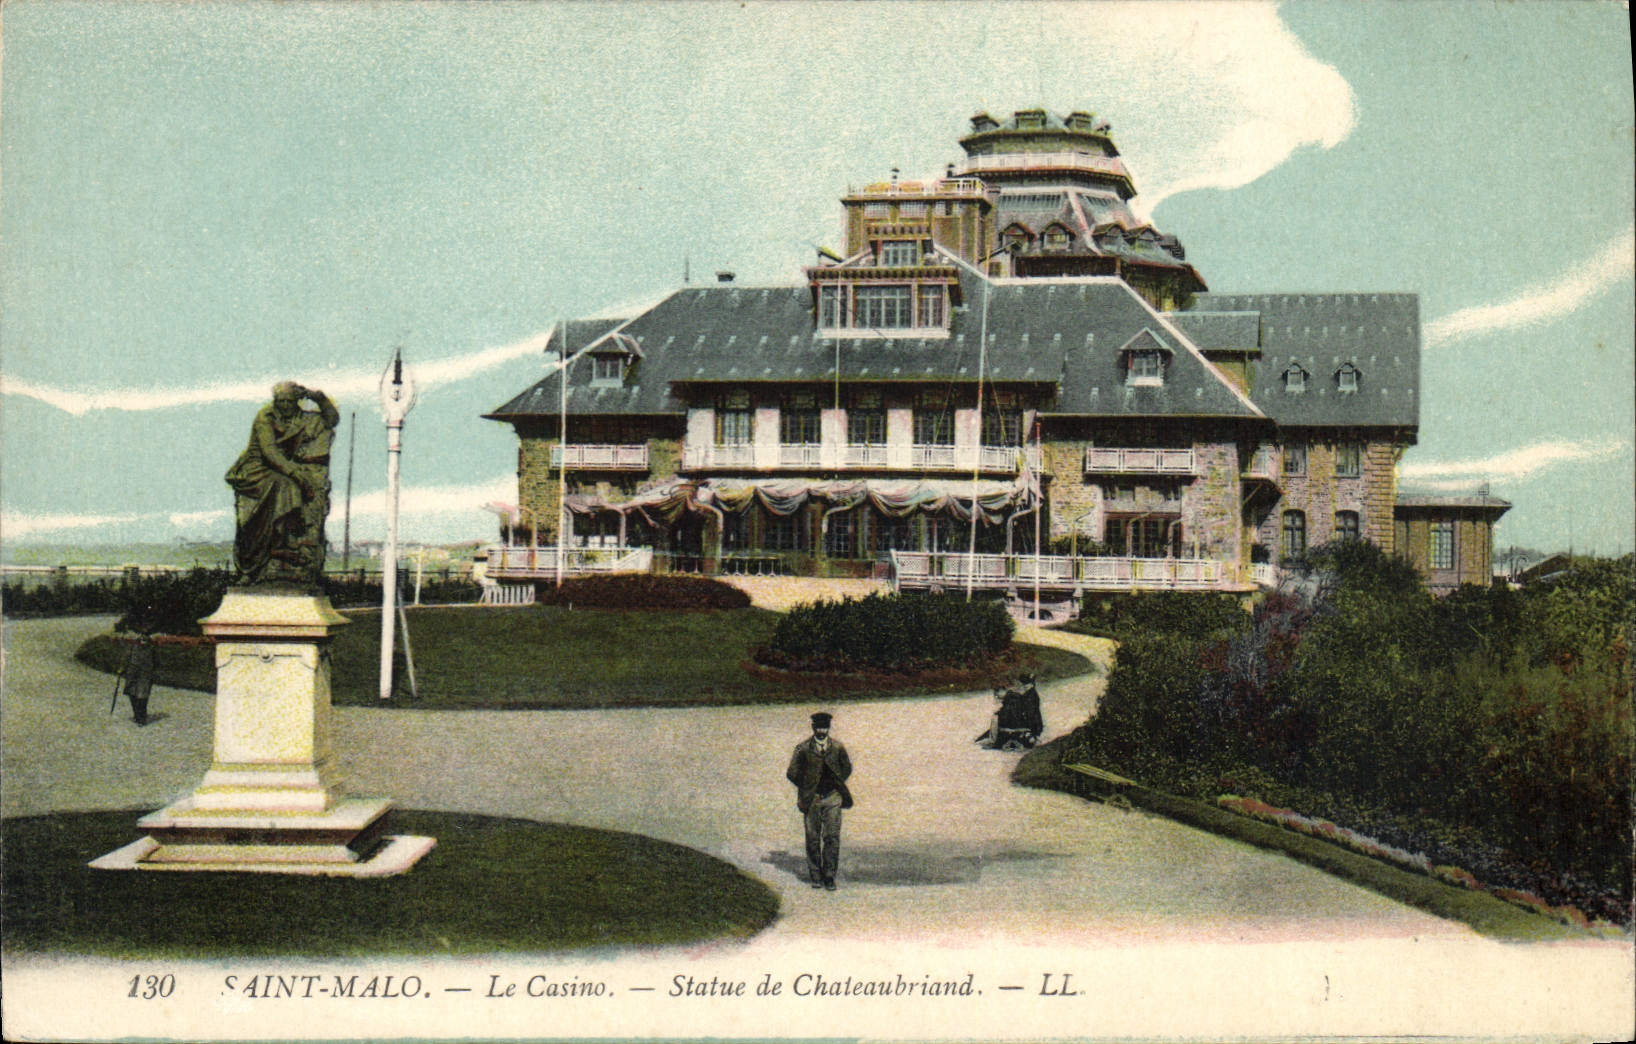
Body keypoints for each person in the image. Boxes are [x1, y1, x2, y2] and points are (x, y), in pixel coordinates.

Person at [225, 382, 339, 586]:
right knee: (285, 486)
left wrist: (318, 397)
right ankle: (273, 549)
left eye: (289, 401)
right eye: (280, 401)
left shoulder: (302, 418)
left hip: (282, 469)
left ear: (296, 401)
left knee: (288, 486)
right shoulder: (265, 417)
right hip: (257, 469)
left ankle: (285, 546)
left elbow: (331, 420)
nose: (284, 405)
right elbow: (270, 453)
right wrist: (296, 472)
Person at [786, 711, 853, 891]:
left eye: (824, 727)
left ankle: (829, 876)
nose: (821, 731)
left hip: (833, 797)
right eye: (818, 728)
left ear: (828, 728)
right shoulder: (803, 749)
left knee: (832, 837)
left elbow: (846, 768)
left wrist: (836, 784)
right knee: (812, 838)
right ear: (813, 728)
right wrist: (808, 786)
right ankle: (815, 876)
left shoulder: (838, 748)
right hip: (812, 799)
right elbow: (792, 773)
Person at [117, 628, 156, 726]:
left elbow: (156, 662)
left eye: (146, 635)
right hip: (132, 674)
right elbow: (126, 658)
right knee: (132, 694)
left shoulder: (151, 648)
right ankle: (137, 715)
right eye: (142, 635)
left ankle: (142, 718)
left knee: (142, 697)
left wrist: (152, 672)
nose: (143, 638)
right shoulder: (132, 647)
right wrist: (121, 669)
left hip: (145, 675)